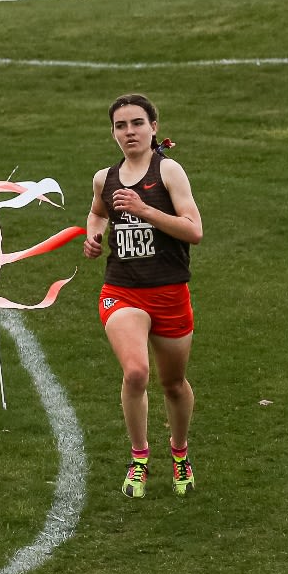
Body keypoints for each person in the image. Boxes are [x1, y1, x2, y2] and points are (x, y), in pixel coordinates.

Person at [82, 93, 204, 498]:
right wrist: (93, 235)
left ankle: (180, 454)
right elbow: (98, 211)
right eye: (121, 125)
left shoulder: (169, 172)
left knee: (173, 384)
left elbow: (194, 231)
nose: (129, 132)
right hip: (122, 290)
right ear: (113, 132)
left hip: (169, 291)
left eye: (137, 123)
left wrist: (145, 210)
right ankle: (138, 459)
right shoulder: (106, 178)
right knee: (135, 371)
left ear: (154, 127)